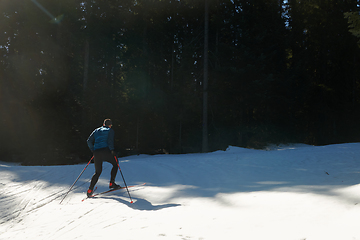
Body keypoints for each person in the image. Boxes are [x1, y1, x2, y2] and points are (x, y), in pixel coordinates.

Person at [86, 119, 121, 197]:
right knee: (115, 165)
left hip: (97, 152)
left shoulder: (96, 130)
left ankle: (90, 190)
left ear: (103, 124)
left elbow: (89, 141)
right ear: (110, 125)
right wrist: (112, 150)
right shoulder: (110, 130)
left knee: (97, 172)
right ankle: (112, 183)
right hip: (106, 151)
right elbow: (110, 141)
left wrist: (93, 150)